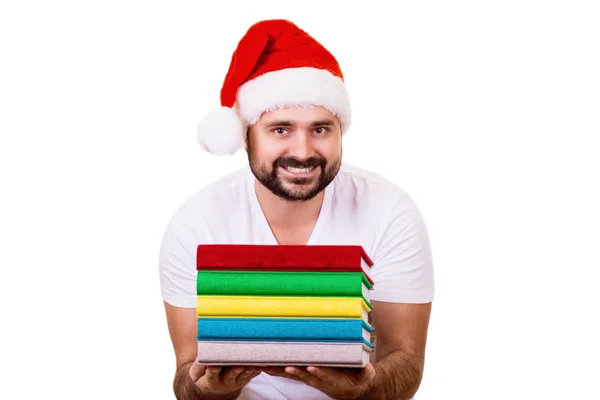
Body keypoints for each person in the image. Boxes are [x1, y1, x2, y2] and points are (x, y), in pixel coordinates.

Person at [159, 19, 434, 400]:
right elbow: (186, 379)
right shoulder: (197, 223)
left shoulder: (390, 211)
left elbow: (405, 360)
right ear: (245, 137)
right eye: (280, 129)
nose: (303, 152)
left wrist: (364, 390)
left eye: (320, 129)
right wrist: (210, 390)